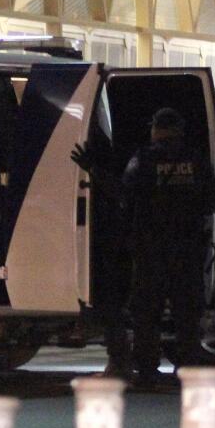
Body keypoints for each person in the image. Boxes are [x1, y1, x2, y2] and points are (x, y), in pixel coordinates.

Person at [121, 107, 215, 388]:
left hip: (151, 247)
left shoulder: (143, 158)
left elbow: (126, 195)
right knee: (187, 312)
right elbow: (211, 199)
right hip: (187, 247)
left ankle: (148, 371)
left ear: (158, 130)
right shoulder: (197, 160)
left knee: (146, 312)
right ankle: (188, 368)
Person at [70, 135, 133, 379]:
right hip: (116, 245)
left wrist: (93, 170)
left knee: (113, 306)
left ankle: (121, 363)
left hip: (117, 247)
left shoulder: (127, 167)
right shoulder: (126, 159)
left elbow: (122, 192)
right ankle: (126, 362)